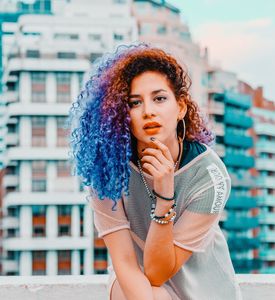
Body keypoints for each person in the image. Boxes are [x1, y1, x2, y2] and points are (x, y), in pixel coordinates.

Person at [68, 43, 242, 300]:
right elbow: (126, 263)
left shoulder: (210, 175)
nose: (148, 111)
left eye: (159, 98)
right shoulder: (106, 169)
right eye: (134, 103)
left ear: (180, 107)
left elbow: (159, 271)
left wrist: (165, 195)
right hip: (138, 283)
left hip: (205, 290)